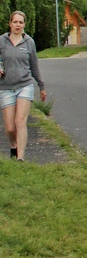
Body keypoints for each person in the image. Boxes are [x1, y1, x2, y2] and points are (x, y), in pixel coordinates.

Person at [1, 10, 46, 162]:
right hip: (6, 87)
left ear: (24, 25)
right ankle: (13, 146)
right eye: (15, 22)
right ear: (10, 24)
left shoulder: (29, 42)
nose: (18, 25)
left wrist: (41, 86)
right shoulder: (2, 41)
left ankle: (21, 157)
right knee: (10, 127)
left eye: (21, 22)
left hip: (25, 85)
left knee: (20, 121)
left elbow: (34, 66)